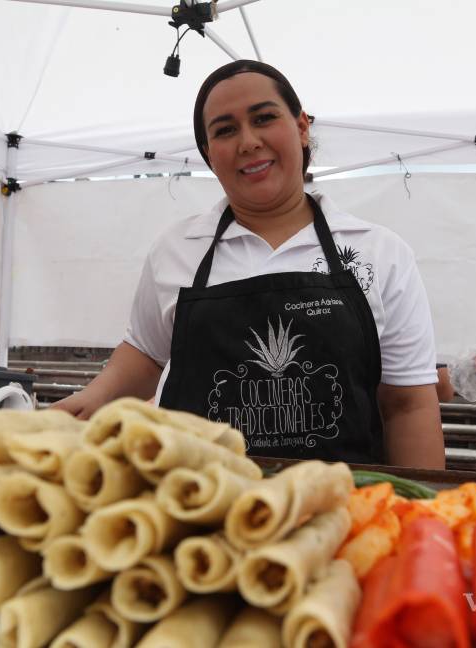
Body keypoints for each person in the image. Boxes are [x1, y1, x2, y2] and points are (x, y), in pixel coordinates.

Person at [52, 60, 443, 468]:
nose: (248, 141)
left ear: (302, 127)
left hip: (340, 501)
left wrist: (425, 502)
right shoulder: (177, 249)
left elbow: (407, 404)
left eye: (264, 118)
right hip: (193, 496)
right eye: (225, 130)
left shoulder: (380, 252)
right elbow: (147, 354)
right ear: (209, 154)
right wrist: (92, 398)